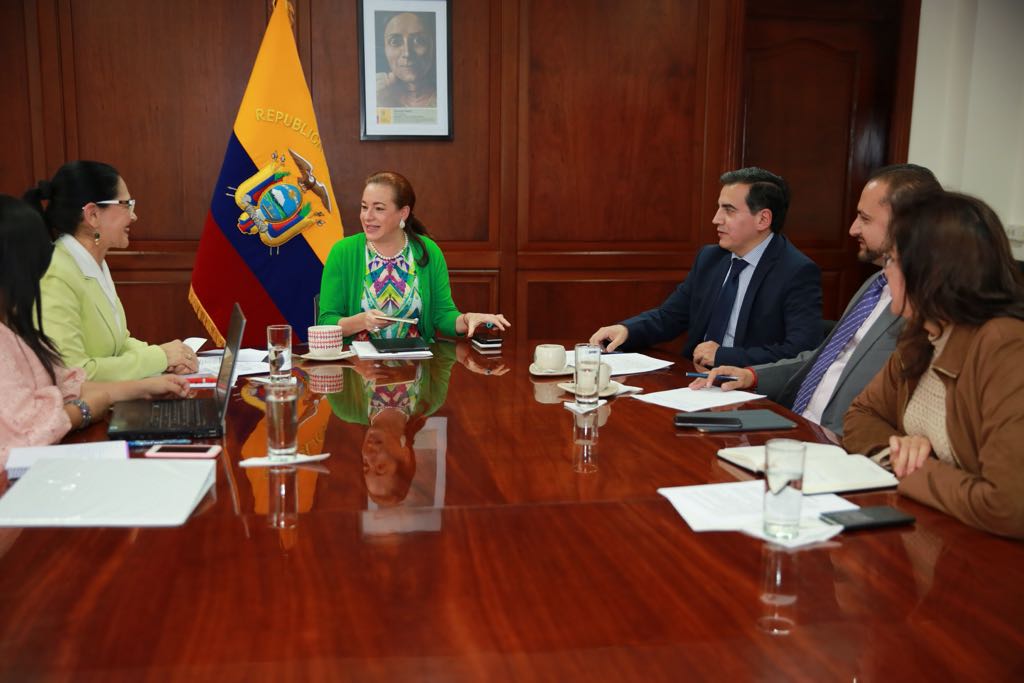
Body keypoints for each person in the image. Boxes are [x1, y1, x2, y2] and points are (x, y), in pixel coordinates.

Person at [691, 164, 942, 436]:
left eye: (865, 218)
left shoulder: (928, 304)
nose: (853, 229)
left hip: (839, 438)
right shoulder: (875, 284)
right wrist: (752, 376)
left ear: (905, 223)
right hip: (793, 420)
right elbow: (823, 359)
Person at [843, 189, 1024, 538]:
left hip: (988, 554)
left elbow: (1008, 506)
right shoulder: (923, 332)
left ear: (930, 271)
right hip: (935, 528)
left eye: (892, 260)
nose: (885, 272)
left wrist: (915, 469)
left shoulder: (1004, 344)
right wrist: (898, 449)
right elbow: (860, 416)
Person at [0, 195, 190, 463]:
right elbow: (22, 437)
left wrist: (143, 387)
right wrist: (83, 411)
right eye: (125, 205)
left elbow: (67, 383)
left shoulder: (14, 325)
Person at [589, 167, 822, 367]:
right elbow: (670, 316)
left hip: (749, 388)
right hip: (692, 378)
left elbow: (801, 353)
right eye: (719, 208)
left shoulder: (796, 271)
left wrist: (724, 356)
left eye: (728, 210)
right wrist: (627, 330)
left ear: (763, 219)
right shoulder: (711, 258)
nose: (716, 219)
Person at [23, 161, 198, 382]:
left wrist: (171, 358)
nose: (134, 216)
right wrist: (160, 357)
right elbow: (74, 374)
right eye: (126, 205)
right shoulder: (55, 273)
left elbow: (118, 343)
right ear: (93, 215)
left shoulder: (94, 263)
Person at [318, 171, 509, 340]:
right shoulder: (343, 252)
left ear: (403, 213)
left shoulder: (428, 250)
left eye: (379, 208)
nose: (367, 216)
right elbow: (326, 321)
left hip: (417, 365)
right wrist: (360, 321)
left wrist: (468, 319)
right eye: (364, 207)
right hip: (359, 365)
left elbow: (443, 316)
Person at [375, 12, 437, 109]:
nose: (407, 53)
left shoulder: (445, 98)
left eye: (419, 41)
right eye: (395, 42)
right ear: (385, 49)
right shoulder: (377, 97)